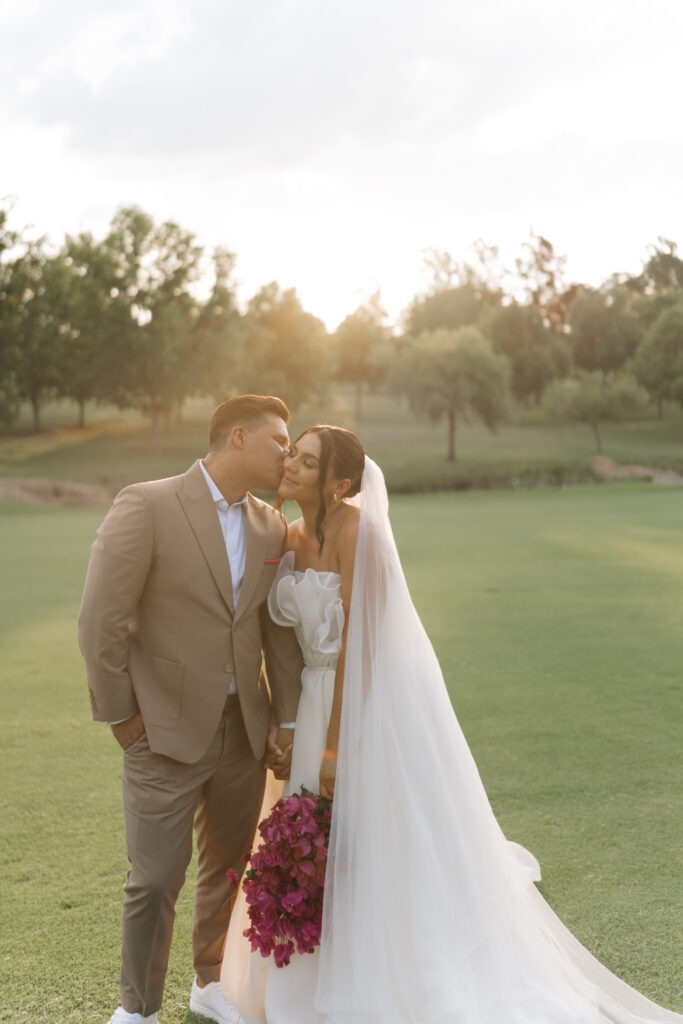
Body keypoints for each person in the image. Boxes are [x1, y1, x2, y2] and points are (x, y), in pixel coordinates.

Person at [221, 424, 683, 1024]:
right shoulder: (288, 534)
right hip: (313, 701)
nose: (290, 465)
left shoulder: (357, 531)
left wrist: (337, 748)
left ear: (337, 484)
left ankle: (384, 972)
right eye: (294, 455)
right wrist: (289, 723)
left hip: (360, 702)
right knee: (315, 844)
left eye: (307, 463)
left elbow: (362, 643)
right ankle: (305, 980)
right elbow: (280, 645)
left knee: (370, 837)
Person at [78, 395, 303, 1024]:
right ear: (238, 437)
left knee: (227, 870)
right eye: (279, 441)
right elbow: (101, 618)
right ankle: (137, 1010)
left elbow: (275, 632)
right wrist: (121, 714)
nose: (287, 455)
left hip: (243, 732)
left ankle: (209, 982)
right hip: (159, 729)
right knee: (153, 878)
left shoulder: (270, 524)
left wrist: (285, 718)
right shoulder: (147, 504)